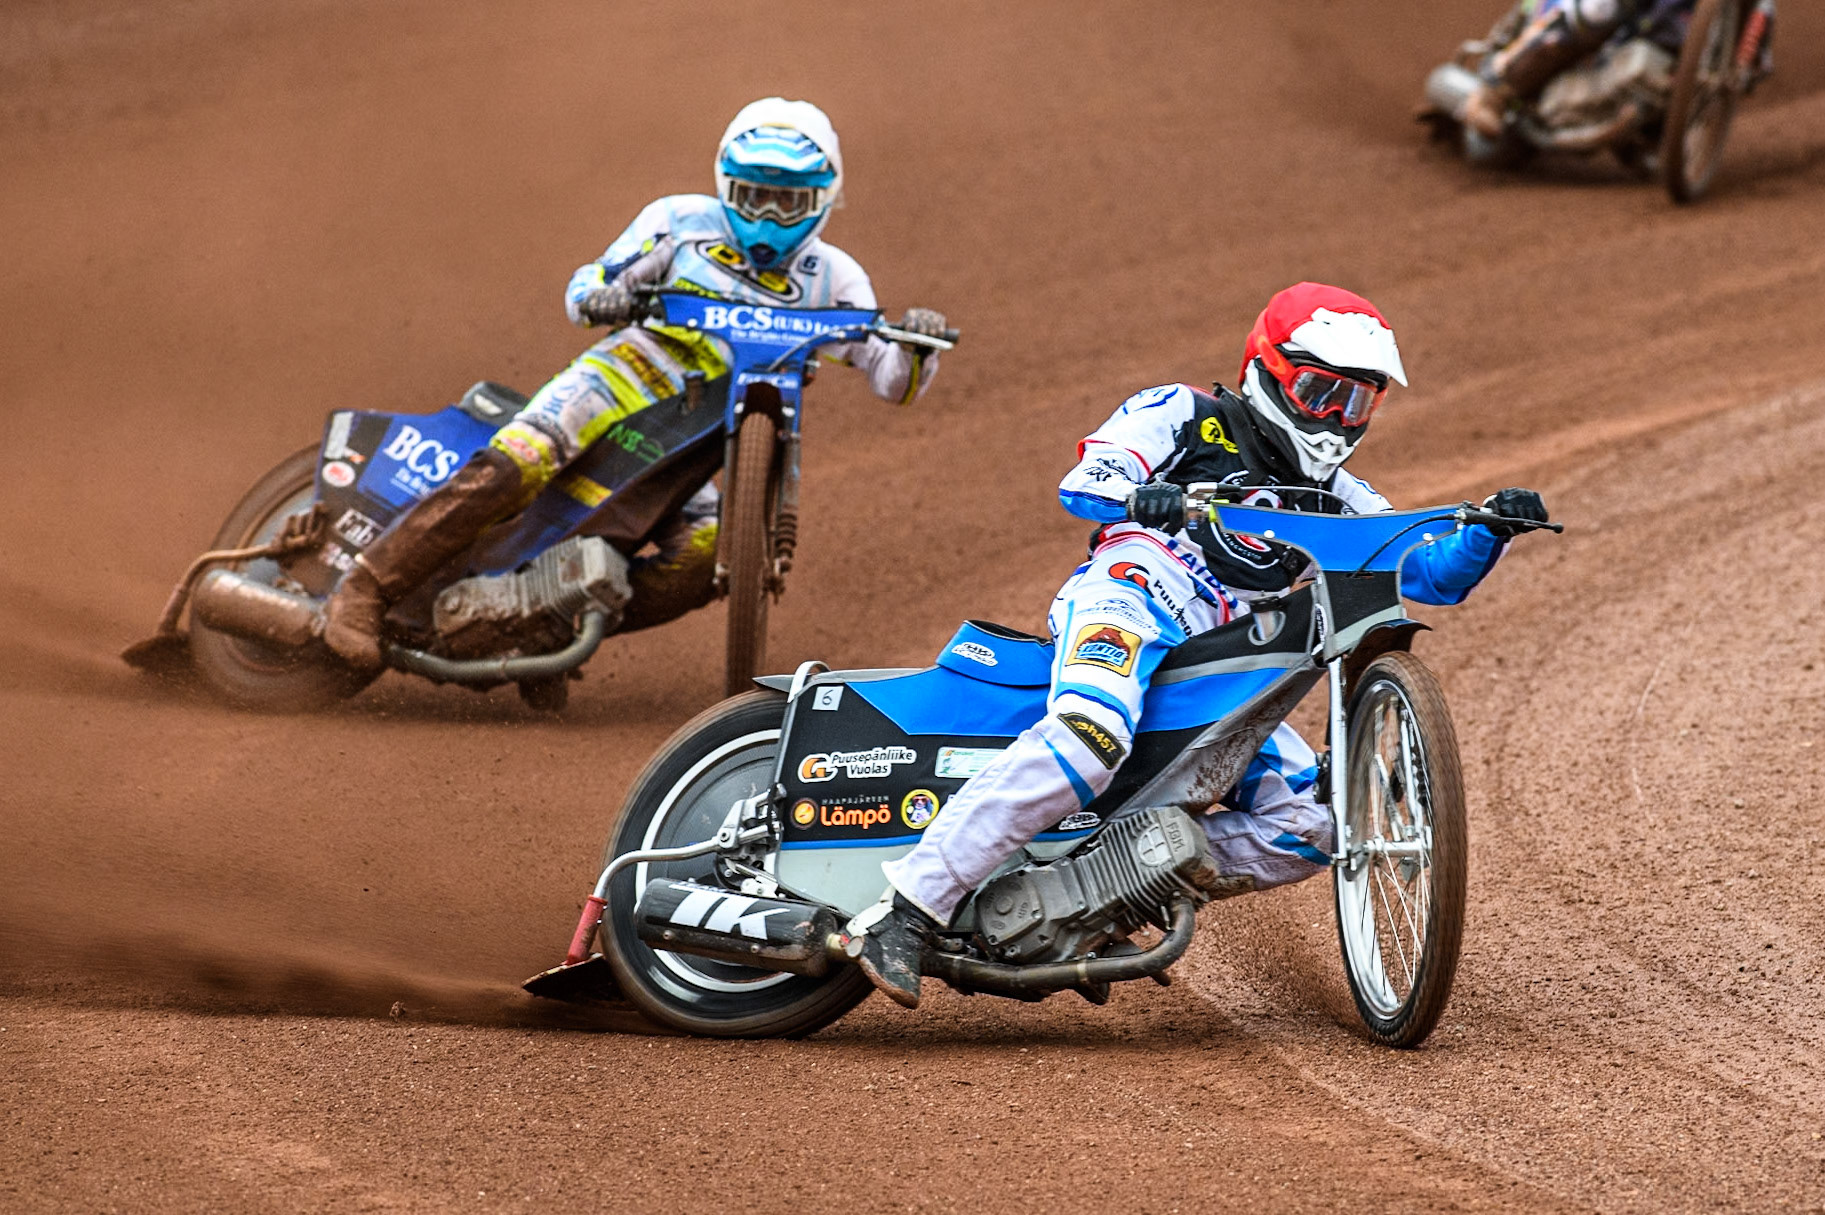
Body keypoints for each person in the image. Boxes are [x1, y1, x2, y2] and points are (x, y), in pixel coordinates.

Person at [845, 283, 1550, 1008]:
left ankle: (1101, 895)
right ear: (1268, 370)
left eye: (1358, 403)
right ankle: (902, 912)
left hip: (1219, 667)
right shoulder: (1184, 414)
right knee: (1089, 736)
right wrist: (1136, 497)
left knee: (1313, 823)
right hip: (1130, 597)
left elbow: (1428, 573)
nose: (1338, 420)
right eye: (1320, 392)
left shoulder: (1341, 499)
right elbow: (1085, 478)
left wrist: (1484, 532)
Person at [323, 97, 947, 669]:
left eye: (785, 204)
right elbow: (587, 284)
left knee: (706, 555)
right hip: (623, 379)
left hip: (697, 444)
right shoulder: (681, 222)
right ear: (726, 186)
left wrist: (917, 346)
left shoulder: (833, 277)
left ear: (821, 200)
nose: (765, 219)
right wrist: (604, 295)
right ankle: (363, 589)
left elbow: (892, 379)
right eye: (753, 197)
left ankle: (544, 625)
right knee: (521, 462)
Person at [1460, 0, 1775, 138]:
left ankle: (1671, 128)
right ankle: (1496, 91)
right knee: (1600, 7)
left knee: (1756, 44)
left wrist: (1745, 69)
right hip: (1632, 28)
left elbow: (1752, 63)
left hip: (1671, 58)